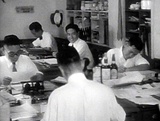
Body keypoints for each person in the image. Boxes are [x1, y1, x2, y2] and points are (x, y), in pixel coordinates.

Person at [42, 46, 126, 121]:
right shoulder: (105, 90)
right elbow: (120, 117)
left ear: (61, 70)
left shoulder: (57, 96)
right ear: (82, 64)